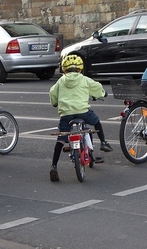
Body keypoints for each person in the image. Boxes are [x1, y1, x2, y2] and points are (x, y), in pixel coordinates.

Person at [48, 54, 112, 182]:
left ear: (64, 70)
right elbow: (97, 87)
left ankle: (54, 166)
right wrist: (103, 93)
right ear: (80, 69)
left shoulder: (61, 81)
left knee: (61, 139)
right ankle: (103, 142)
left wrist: (55, 102)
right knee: (96, 121)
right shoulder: (84, 79)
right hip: (83, 112)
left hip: (66, 114)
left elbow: (52, 93)